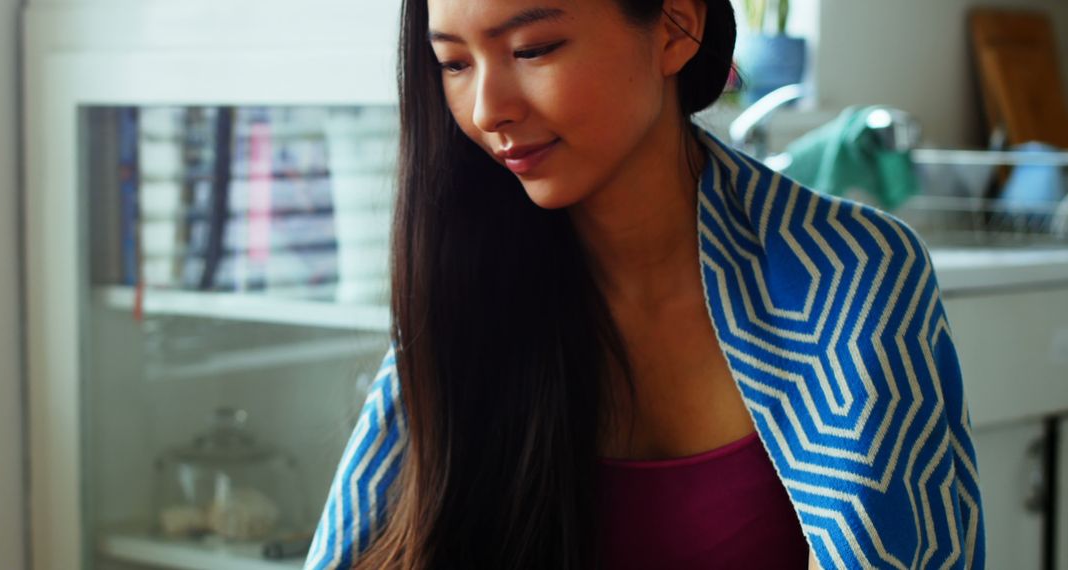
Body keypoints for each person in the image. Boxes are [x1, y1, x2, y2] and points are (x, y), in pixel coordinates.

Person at [305, 0, 986, 568]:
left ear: (674, 26)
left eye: (533, 48)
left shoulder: (855, 277)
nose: (486, 109)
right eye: (453, 62)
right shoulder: (465, 285)